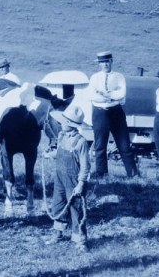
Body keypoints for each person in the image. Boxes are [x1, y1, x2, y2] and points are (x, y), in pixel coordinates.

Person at [44, 105, 92, 251]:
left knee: (76, 209)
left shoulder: (80, 142)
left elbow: (85, 165)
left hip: (74, 180)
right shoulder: (61, 136)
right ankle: (58, 233)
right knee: (58, 205)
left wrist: (81, 184)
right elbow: (58, 153)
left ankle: (80, 240)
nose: (61, 124)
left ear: (71, 125)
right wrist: (48, 155)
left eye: (64, 122)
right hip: (59, 178)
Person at [87, 51, 139, 178]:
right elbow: (92, 96)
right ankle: (101, 174)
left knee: (124, 145)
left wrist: (105, 95)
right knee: (100, 145)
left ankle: (133, 175)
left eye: (107, 61)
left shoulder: (119, 77)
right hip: (100, 113)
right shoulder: (94, 78)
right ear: (99, 64)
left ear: (111, 61)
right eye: (102, 62)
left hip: (116, 113)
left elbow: (121, 95)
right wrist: (111, 96)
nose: (105, 64)